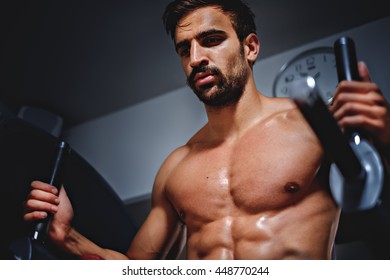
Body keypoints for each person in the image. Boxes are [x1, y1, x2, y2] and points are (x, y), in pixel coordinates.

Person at [23, 0, 390, 260]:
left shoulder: (316, 127)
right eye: (185, 49)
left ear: (250, 47)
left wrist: (386, 135)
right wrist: (66, 236)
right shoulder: (175, 168)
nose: (196, 58)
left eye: (211, 40)